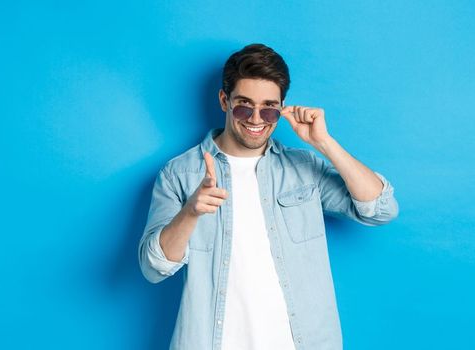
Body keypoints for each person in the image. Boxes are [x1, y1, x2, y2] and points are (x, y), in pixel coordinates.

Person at [138, 43, 399, 350]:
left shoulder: (303, 168)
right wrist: (191, 212)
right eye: (244, 106)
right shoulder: (180, 173)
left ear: (281, 107)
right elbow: (152, 268)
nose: (256, 118)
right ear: (224, 100)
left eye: (269, 108)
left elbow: (380, 209)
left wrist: (324, 142)